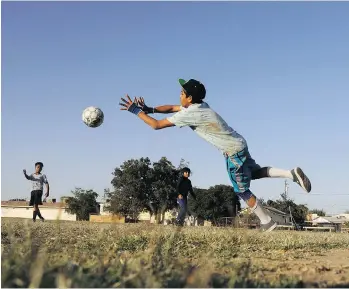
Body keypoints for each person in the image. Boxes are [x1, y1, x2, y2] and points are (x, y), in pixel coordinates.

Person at [119, 78, 311, 232]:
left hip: (232, 151)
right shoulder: (200, 106)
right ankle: (290, 174)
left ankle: (267, 222)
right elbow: (171, 108)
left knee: (241, 190)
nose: (179, 95)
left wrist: (136, 111)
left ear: (189, 98)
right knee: (253, 173)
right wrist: (149, 109)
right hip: (239, 143)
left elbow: (157, 125)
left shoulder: (190, 114)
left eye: (182, 93)